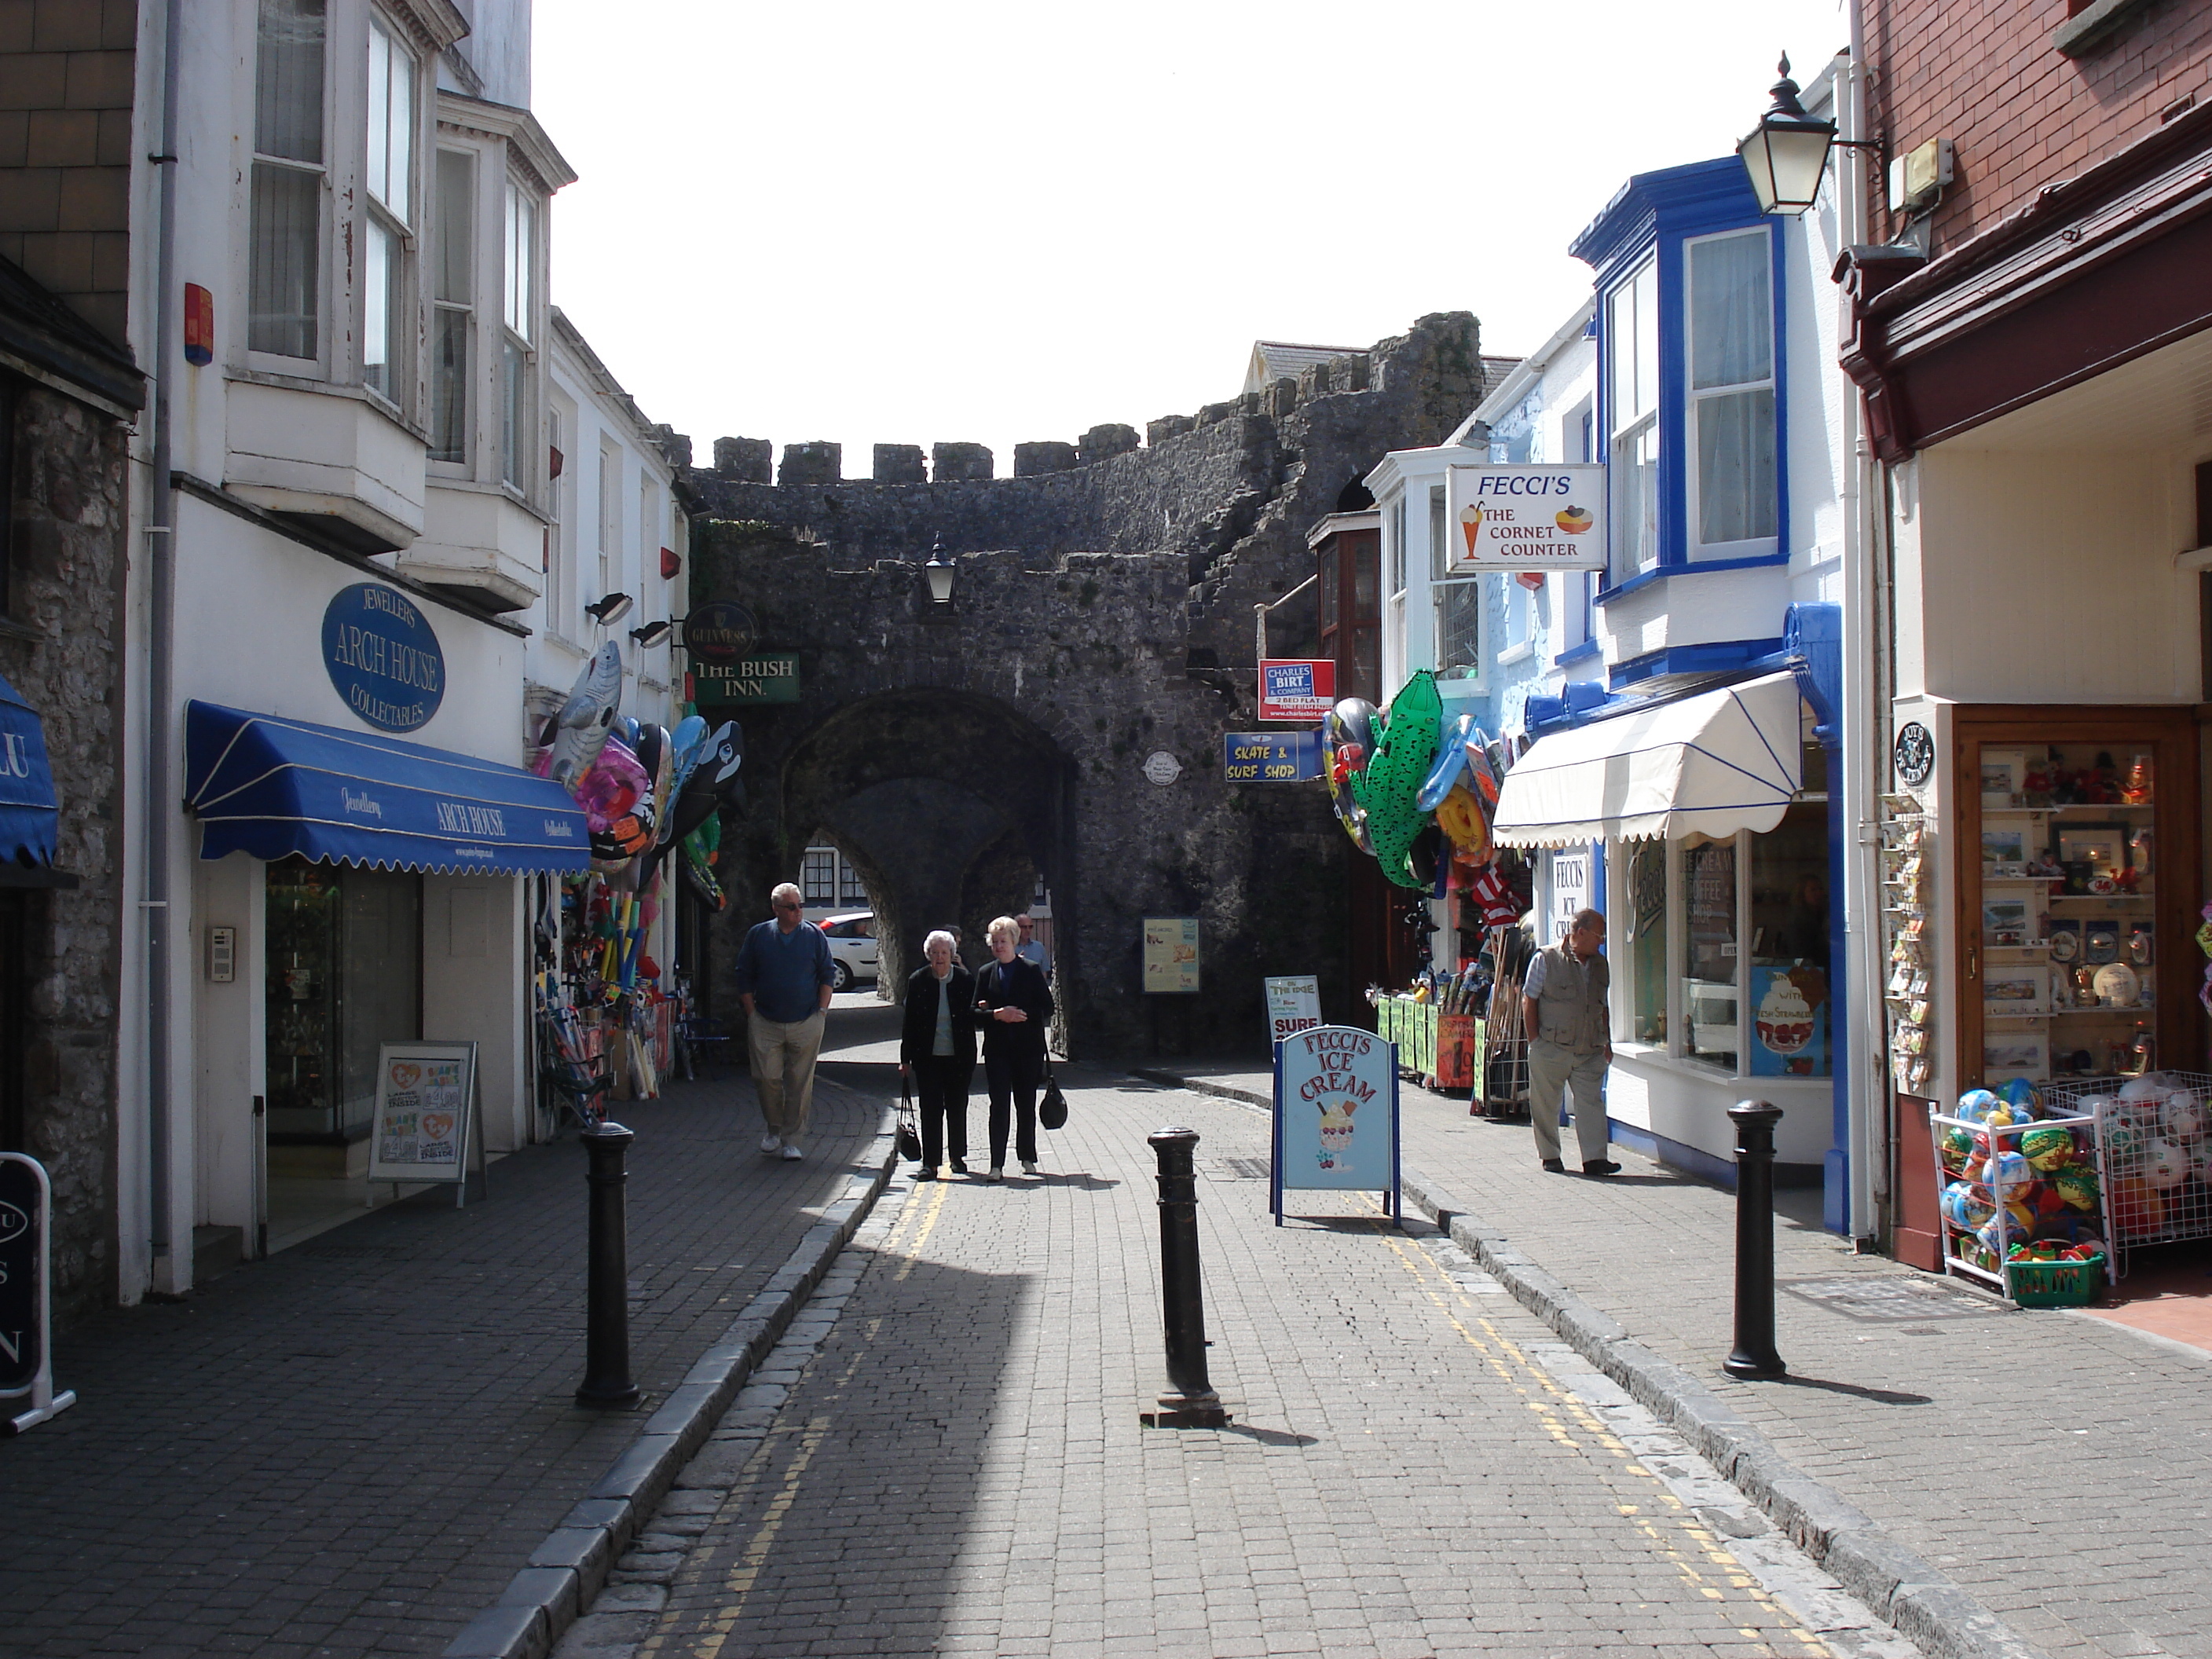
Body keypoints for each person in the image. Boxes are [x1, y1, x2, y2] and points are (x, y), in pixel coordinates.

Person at [734, 881, 836, 1161]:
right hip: (765, 1020)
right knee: (766, 1078)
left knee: (799, 1082)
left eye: (800, 905)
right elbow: (743, 974)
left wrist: (822, 1013)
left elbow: (828, 973)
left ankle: (792, 1139)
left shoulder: (814, 936)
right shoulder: (759, 935)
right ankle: (774, 1129)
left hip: (807, 1020)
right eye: (791, 907)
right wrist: (752, 1013)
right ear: (776, 908)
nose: (798, 911)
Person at [1521, 907, 1620, 1176]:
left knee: (1592, 1104)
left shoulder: (1600, 964)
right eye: (1599, 935)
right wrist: (1536, 1042)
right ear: (1580, 932)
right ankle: (1550, 1155)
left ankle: (1595, 1159)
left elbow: (1602, 1005)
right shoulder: (1547, 958)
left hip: (1590, 1049)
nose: (1602, 941)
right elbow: (1529, 999)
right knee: (1547, 1104)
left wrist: (1606, 1041)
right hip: (1552, 1046)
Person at [975, 914, 1053, 1181]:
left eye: (1003, 941)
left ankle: (1027, 1157)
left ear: (1014, 941)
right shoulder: (986, 973)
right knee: (999, 1106)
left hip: (1027, 1049)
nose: (999, 946)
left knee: (1025, 1104)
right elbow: (973, 1012)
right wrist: (996, 1014)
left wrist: (1020, 1014)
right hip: (997, 1050)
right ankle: (996, 1164)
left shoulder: (1030, 970)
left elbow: (1047, 1007)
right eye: (995, 942)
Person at [899, 929, 976, 1180]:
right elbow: (909, 1022)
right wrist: (905, 1059)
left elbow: (975, 1015)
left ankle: (957, 1157)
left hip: (959, 1056)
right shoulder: (918, 980)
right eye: (935, 953)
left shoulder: (965, 980)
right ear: (928, 955)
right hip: (927, 1057)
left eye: (944, 953)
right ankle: (930, 1163)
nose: (939, 957)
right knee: (930, 1109)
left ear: (952, 955)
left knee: (957, 1106)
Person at [1014, 913, 1052, 977]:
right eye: (1024, 927)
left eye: (1030, 927)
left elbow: (1043, 972)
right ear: (1016, 928)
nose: (1028, 930)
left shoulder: (1039, 947)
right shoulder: (1009, 948)